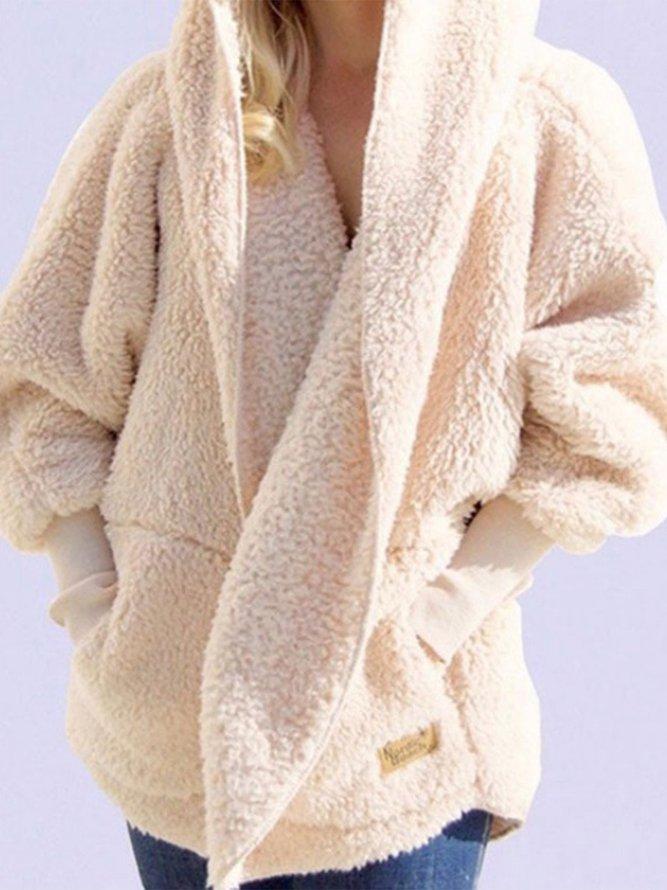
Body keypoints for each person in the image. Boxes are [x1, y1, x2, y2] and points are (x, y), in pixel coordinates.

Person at [1, 0, 667, 888]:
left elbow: (615, 407)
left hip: (401, 736)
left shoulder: (542, 112)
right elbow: (43, 380)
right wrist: (100, 611)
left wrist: (436, 621)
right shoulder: (171, 110)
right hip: (180, 722)